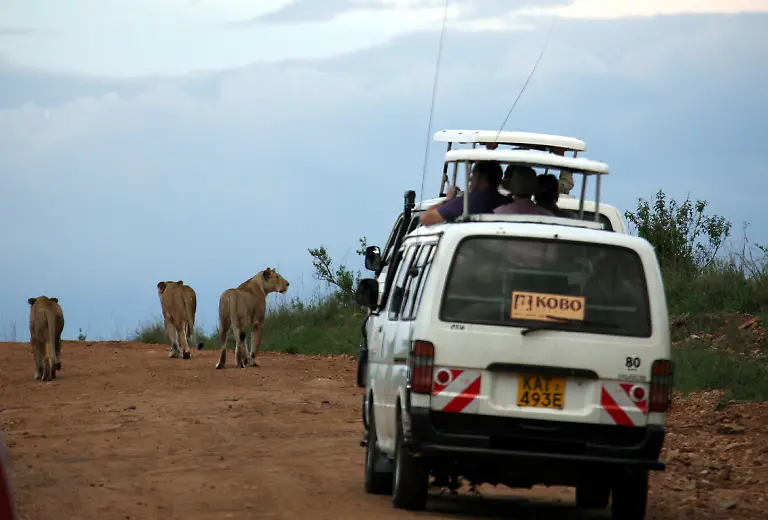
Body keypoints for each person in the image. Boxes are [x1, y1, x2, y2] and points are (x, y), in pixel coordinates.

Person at [420, 160, 507, 226]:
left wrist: (448, 200)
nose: (470, 179)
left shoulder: (467, 202)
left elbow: (426, 219)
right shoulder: (506, 202)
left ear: (483, 177)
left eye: (473, 174)